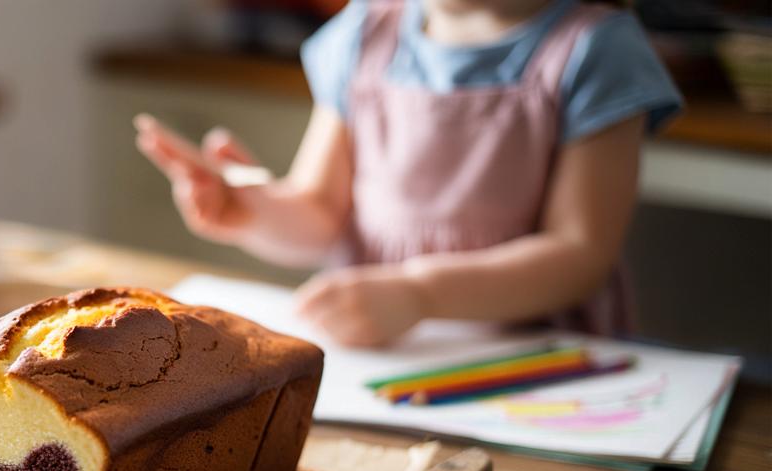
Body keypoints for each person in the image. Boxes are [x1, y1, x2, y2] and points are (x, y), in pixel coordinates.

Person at [136, 0, 681, 347]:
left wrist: (422, 294)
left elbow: (580, 255)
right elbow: (320, 212)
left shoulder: (595, 49)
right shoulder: (364, 34)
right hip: (383, 363)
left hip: (536, 369)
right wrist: (250, 211)